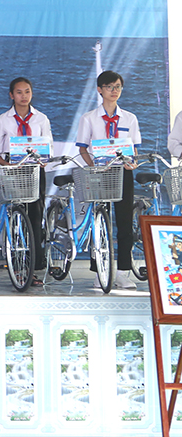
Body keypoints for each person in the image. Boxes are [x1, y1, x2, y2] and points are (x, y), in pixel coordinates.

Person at [77, 70, 140, 290]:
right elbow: (83, 148)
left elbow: (134, 148)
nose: (114, 91)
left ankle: (123, 272)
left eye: (118, 87)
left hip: (123, 172)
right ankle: (99, 272)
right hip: (98, 173)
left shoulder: (130, 118)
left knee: (125, 223)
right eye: (110, 87)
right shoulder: (89, 118)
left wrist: (132, 162)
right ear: (100, 89)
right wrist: (93, 167)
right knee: (99, 222)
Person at [0, 77, 52, 287]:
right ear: (11, 95)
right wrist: (7, 165)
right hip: (12, 172)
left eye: (27, 92)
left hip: (34, 172)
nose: (23, 96)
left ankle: (33, 268)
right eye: (19, 92)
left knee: (35, 218)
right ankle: (17, 267)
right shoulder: (3, 120)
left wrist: (44, 159)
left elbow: (49, 147)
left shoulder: (41, 119)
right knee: (17, 219)